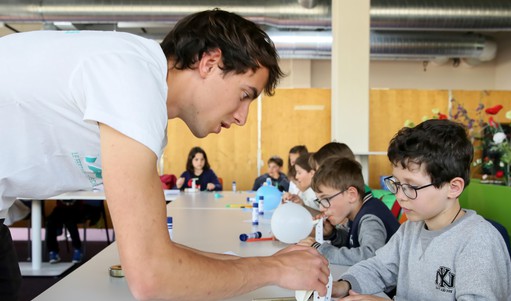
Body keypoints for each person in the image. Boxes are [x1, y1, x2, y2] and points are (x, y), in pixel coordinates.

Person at [0, 9, 329, 301]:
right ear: (209, 62)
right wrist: (274, 271)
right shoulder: (132, 78)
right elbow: (152, 276)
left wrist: (270, 263)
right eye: (244, 95)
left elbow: (157, 253)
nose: (242, 117)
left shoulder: (141, 91)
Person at [331, 119, 511, 300]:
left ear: (454, 187)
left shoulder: (478, 241)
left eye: (411, 186)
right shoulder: (410, 229)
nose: (399, 195)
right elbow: (379, 267)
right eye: (397, 183)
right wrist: (343, 285)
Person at [297, 157, 400, 267]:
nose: (322, 208)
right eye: (319, 201)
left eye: (325, 199)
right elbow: (353, 242)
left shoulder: (370, 218)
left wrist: (322, 249)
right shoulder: (356, 212)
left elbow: (370, 255)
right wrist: (333, 234)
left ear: (351, 195)